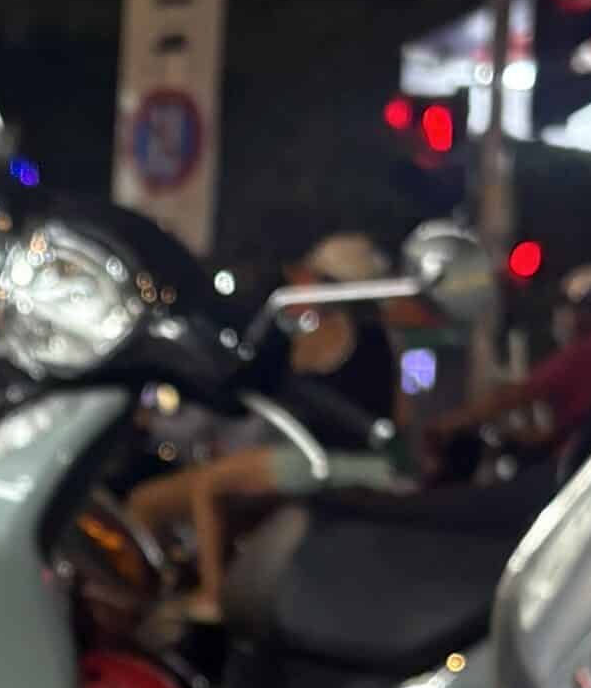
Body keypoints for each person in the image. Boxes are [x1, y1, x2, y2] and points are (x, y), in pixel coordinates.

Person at [128, 233, 403, 621]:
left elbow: (260, 378)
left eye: (305, 279)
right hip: (309, 456)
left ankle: (212, 599)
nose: (295, 285)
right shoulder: (361, 336)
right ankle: (181, 588)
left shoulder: (337, 331)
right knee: (150, 502)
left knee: (209, 486)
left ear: (328, 286)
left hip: (334, 461)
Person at [421, 263, 591, 475]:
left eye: (570, 308)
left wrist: (452, 424)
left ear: (589, 312)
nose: (564, 316)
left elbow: (518, 394)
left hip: (573, 472)